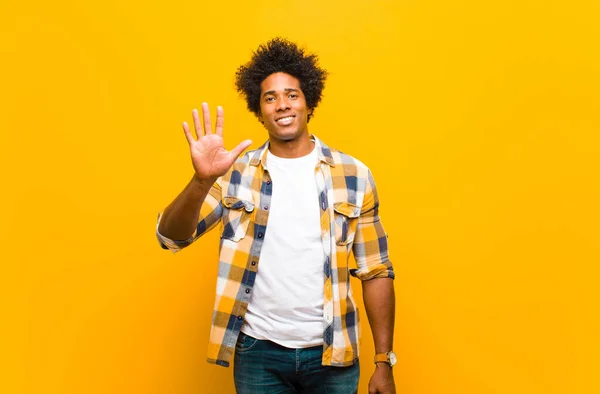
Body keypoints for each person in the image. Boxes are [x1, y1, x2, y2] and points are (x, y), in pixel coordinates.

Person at [156, 38, 396, 394]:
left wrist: (383, 360)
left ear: (308, 102)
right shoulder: (234, 173)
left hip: (334, 354)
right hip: (258, 352)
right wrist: (201, 180)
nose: (282, 105)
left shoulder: (353, 174)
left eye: (291, 95)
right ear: (260, 109)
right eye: (270, 98)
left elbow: (375, 270)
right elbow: (171, 236)